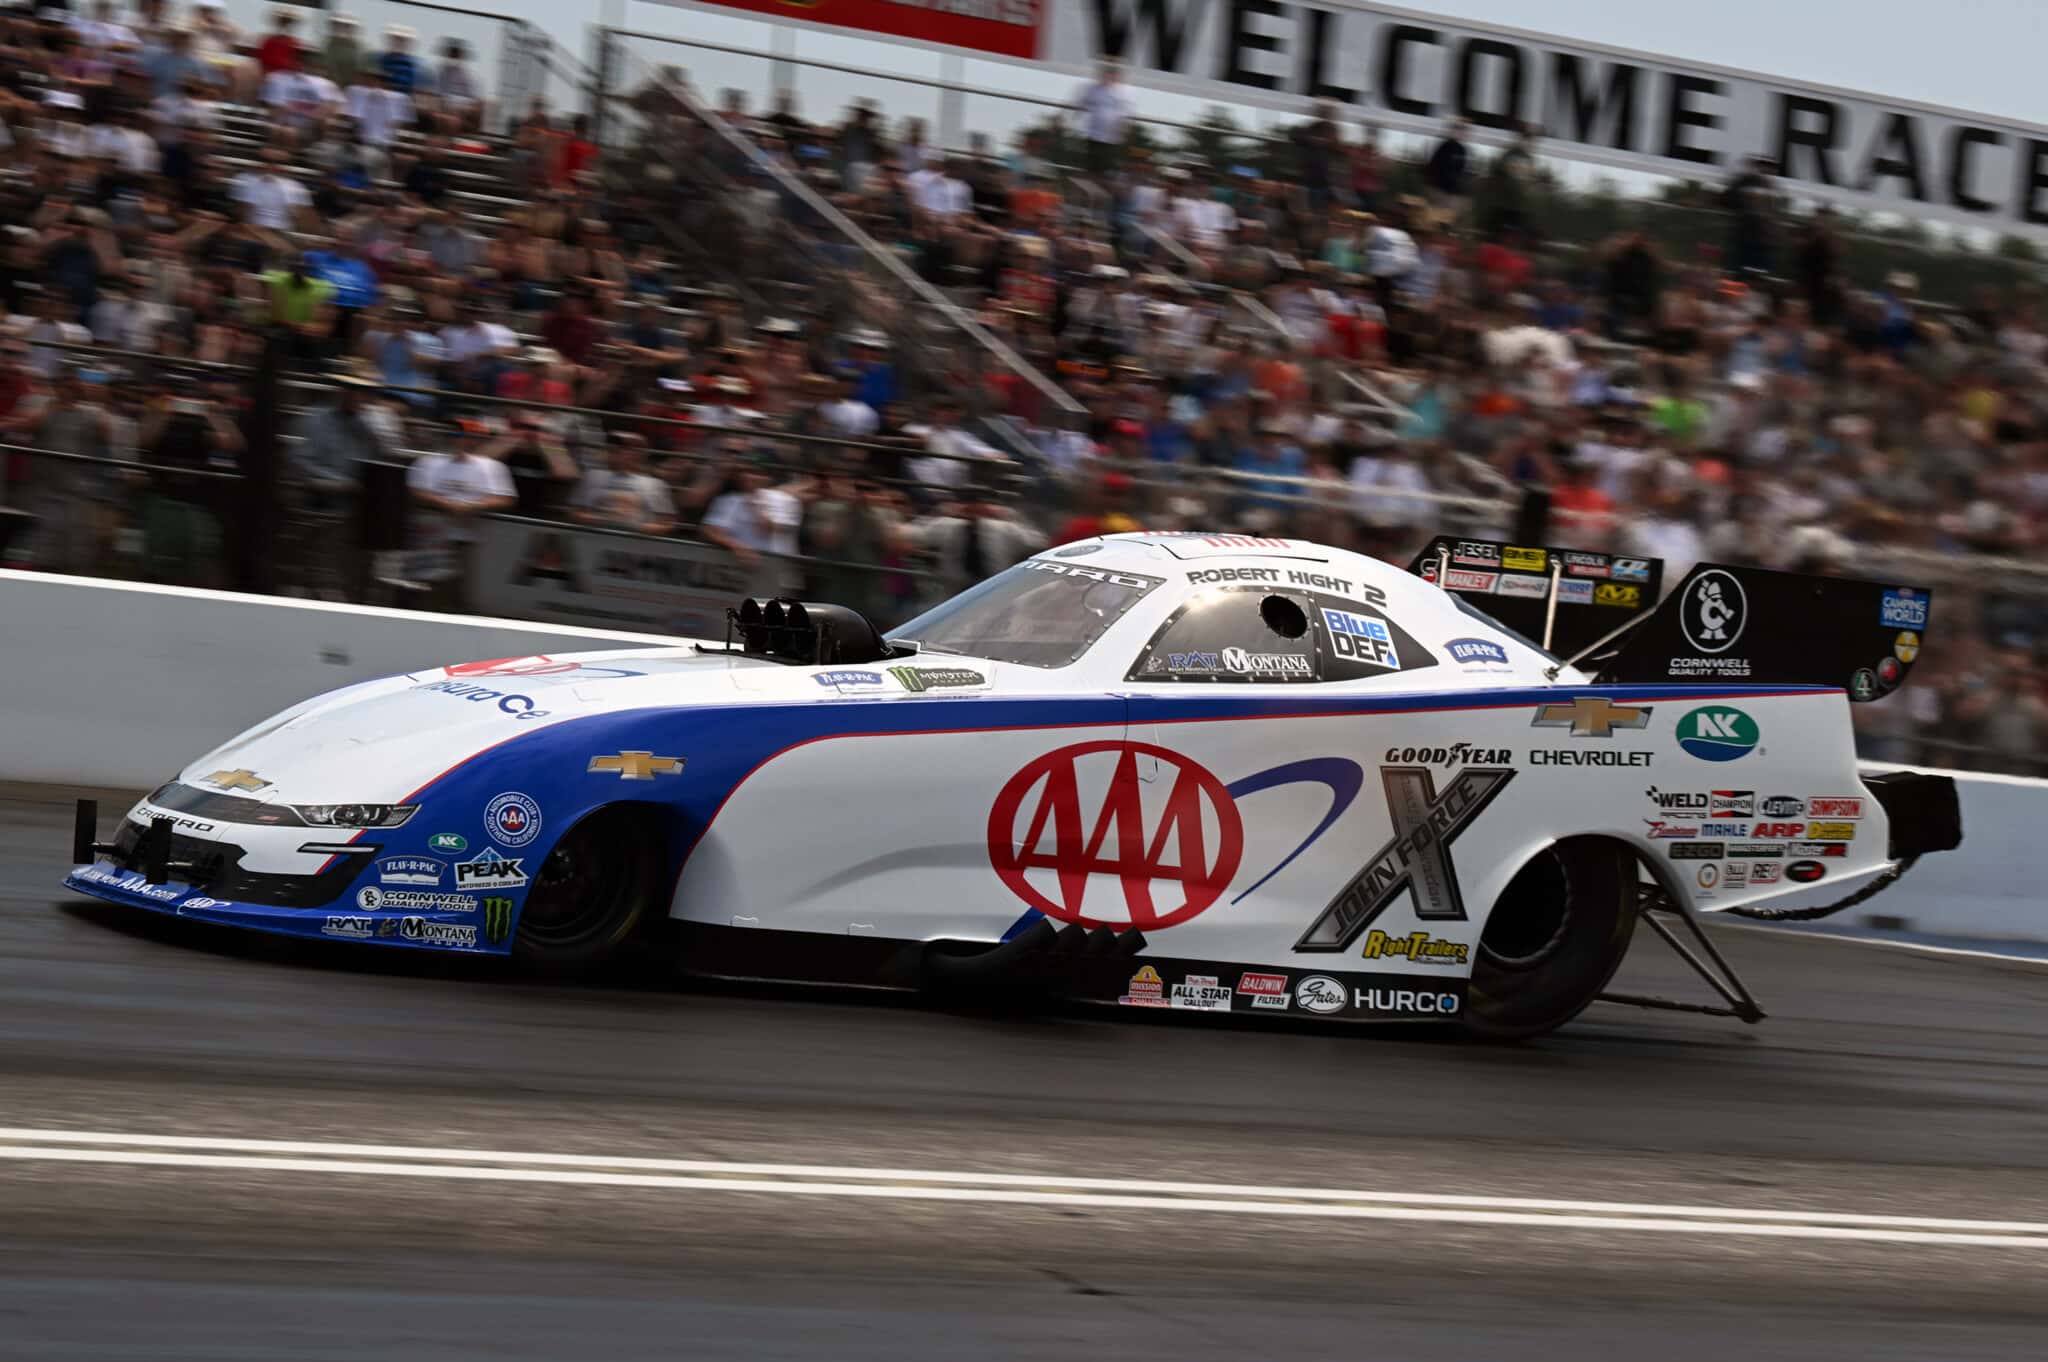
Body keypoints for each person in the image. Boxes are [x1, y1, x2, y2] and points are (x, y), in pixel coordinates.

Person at [285, 365, 396, 598]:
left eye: (368, 393)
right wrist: (341, 483)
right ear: (344, 391)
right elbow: (299, 461)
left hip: (358, 511)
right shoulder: (315, 418)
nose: (364, 397)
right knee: (320, 574)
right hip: (320, 503)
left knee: (357, 573)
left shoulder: (370, 425)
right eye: (359, 391)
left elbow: (382, 460)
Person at [406, 421, 515, 610]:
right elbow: (416, 490)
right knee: (427, 592)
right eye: (460, 435)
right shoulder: (429, 462)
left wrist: (473, 506)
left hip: (473, 538)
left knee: (466, 593)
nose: (464, 441)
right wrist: (446, 504)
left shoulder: (493, 467)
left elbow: (505, 498)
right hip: (432, 537)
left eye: (470, 436)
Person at [570, 433, 674, 535]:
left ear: (639, 454)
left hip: (635, 546)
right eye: (613, 448)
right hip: (596, 539)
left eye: (623, 448)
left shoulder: (655, 484)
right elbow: (574, 512)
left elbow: (666, 523)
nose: (615, 451)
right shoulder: (593, 476)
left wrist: (633, 526)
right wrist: (605, 520)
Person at [1071, 59, 1131, 179]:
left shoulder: (1124, 92)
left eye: (1112, 73)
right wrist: (1071, 120)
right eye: (1107, 72)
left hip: (1112, 139)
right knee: (1092, 167)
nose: (1109, 76)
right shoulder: (1092, 89)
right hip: (1094, 136)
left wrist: (1123, 131)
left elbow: (1125, 114)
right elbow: (1080, 104)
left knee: (1106, 170)